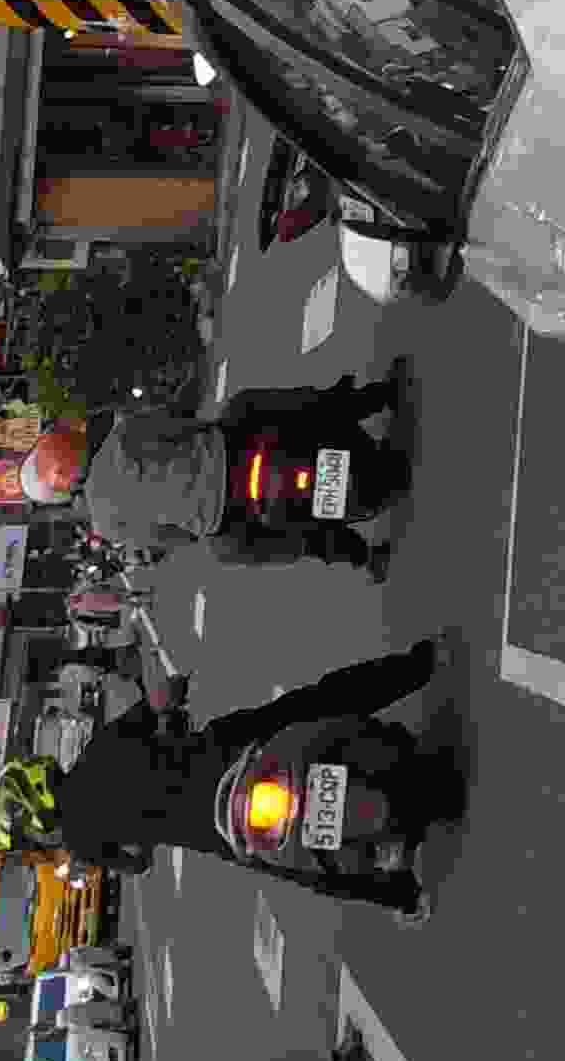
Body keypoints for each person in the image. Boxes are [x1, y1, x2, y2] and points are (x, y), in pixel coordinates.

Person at [34, 629, 453, 911]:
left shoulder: (82, 842)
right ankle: (417, 667)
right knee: (314, 705)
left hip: (221, 829)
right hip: (228, 750)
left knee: (308, 869)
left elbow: (138, 864)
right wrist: (174, 693)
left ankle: (403, 895)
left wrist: (145, 834)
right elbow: (160, 701)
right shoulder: (99, 749)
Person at [77, 375, 406, 573]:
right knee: (251, 403)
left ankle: (362, 555)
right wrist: (211, 431)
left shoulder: (107, 526)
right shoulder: (121, 436)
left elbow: (173, 538)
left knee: (285, 544)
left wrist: (198, 521)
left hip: (226, 517)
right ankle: (366, 398)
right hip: (230, 449)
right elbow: (185, 425)